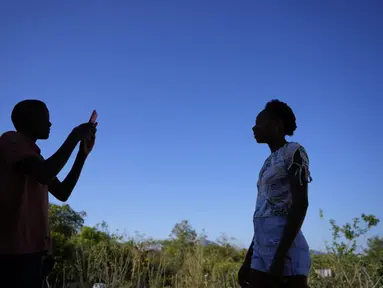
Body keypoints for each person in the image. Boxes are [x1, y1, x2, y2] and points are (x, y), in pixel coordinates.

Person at [0, 100, 97, 288]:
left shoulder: (35, 159)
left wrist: (82, 154)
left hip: (32, 255)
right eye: (46, 117)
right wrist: (74, 136)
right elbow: (45, 174)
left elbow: (62, 192)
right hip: (12, 255)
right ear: (29, 119)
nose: (50, 123)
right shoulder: (10, 140)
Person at [238, 100, 312, 288]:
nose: (254, 128)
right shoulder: (267, 163)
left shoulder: (294, 151)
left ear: (276, 125)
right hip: (261, 249)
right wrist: (248, 259)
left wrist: (279, 258)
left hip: (285, 249)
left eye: (259, 123)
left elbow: (300, 204)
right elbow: (264, 212)